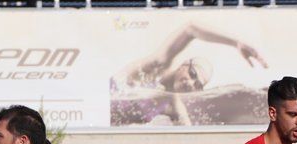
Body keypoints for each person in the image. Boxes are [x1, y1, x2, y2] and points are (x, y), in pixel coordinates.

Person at [112, 23, 267, 125]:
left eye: (198, 84)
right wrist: (236, 42)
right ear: (183, 65)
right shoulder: (157, 66)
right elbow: (190, 28)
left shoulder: (171, 106)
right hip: (98, 101)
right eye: (192, 74)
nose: (191, 83)